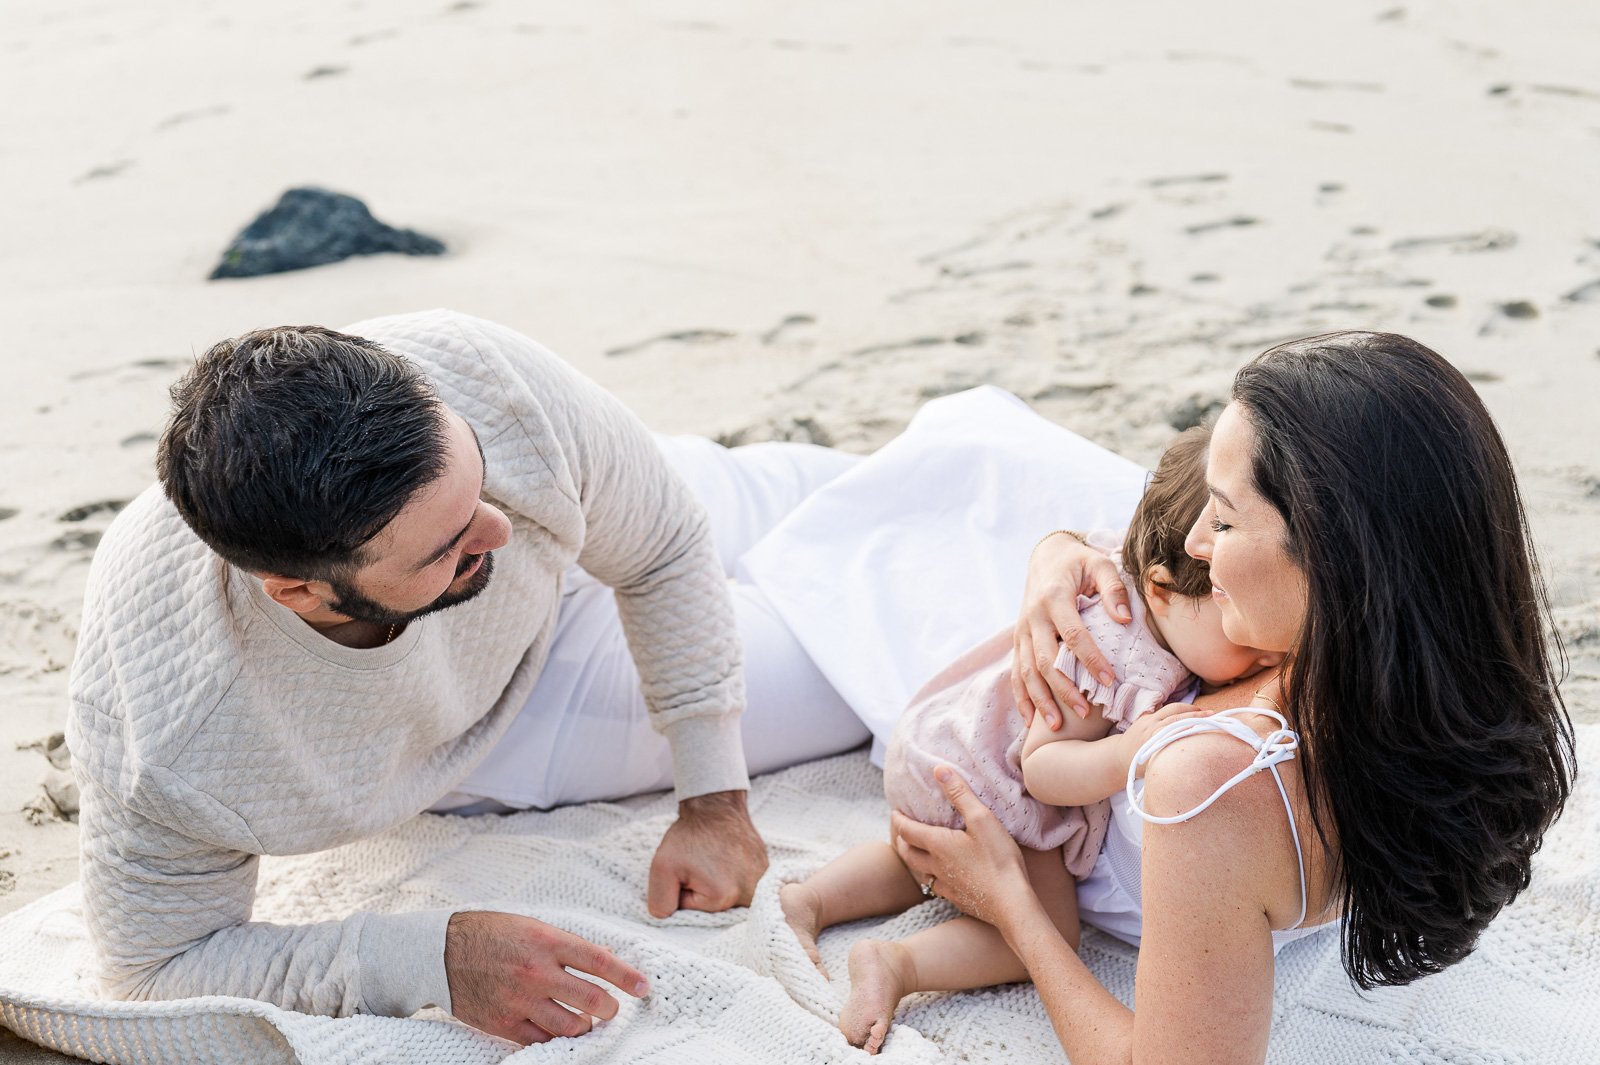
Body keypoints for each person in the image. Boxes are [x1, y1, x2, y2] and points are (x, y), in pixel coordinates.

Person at [67, 310, 869, 1045]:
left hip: (602, 516)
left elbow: (663, 544)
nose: (500, 528)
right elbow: (153, 969)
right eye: (446, 544)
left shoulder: (479, 377)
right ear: (301, 593)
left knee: (870, 487)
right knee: (858, 656)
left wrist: (715, 801)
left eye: (476, 484)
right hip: (500, 711)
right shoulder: (173, 735)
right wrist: (430, 958)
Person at [889, 331, 1576, 1063]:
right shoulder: (1436, 685)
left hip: (946, 664)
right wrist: (1057, 550)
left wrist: (1014, 908)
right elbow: (1149, 543)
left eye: (1221, 519)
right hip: (1027, 636)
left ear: (1330, 554)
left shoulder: (1214, 782)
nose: (1193, 542)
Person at [779, 424, 1286, 1051]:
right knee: (1050, 929)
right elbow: (1042, 769)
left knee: (917, 856)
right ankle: (898, 963)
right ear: (1160, 588)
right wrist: (1126, 752)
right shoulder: (1109, 658)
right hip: (994, 781)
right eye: (1238, 631)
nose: (1266, 653)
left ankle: (812, 900)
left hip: (948, 751)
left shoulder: (1138, 583)